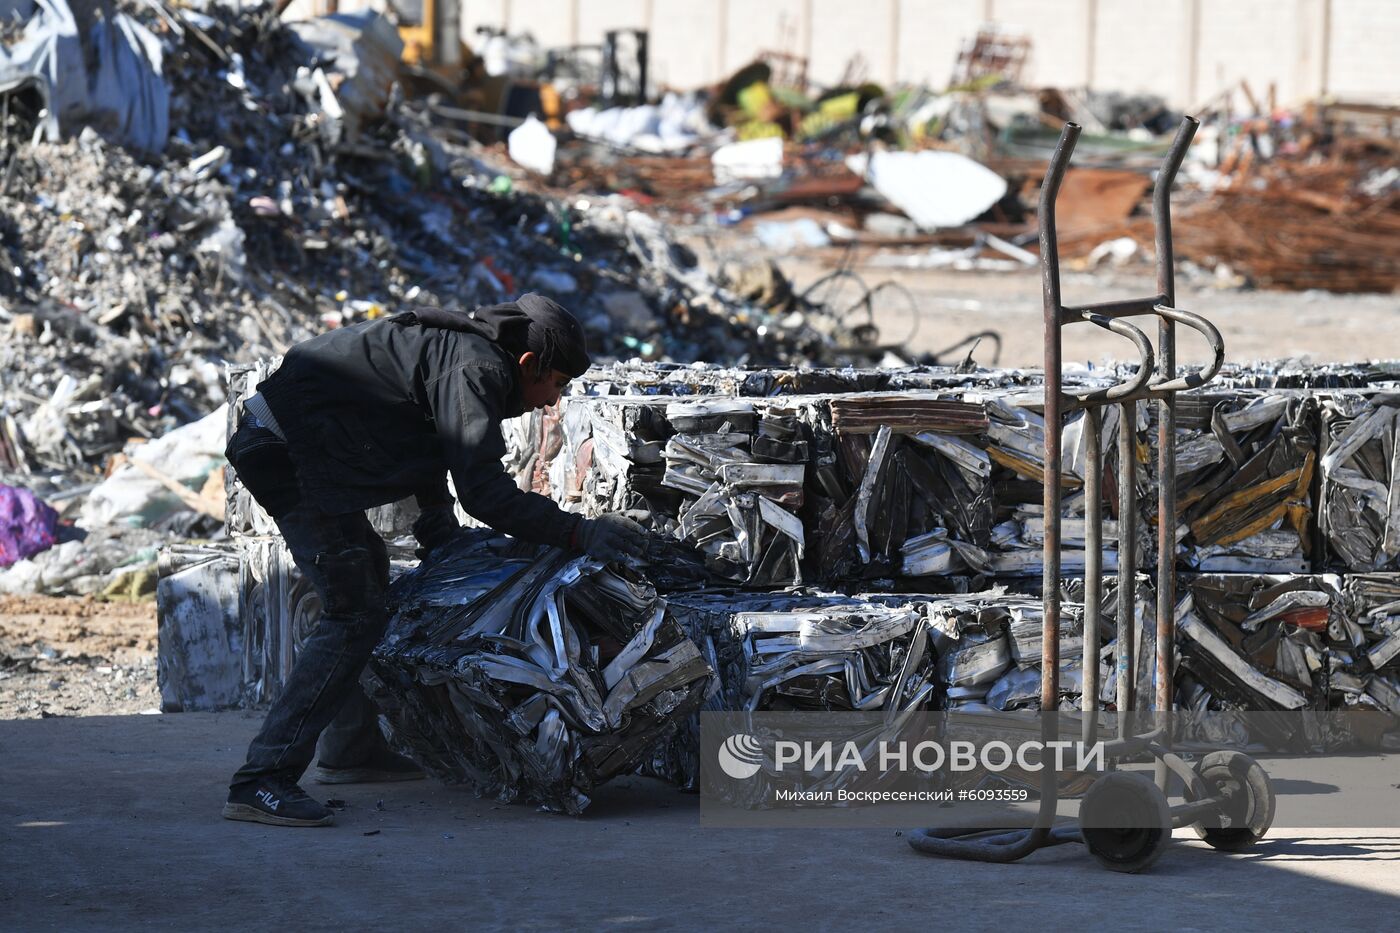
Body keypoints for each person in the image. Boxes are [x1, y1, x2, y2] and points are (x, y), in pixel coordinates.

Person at [220, 294, 649, 827]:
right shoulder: (478, 367)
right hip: (286, 451)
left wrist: (440, 531)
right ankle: (261, 780)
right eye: (555, 384)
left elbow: (421, 439)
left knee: (367, 580)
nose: (550, 403)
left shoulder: (461, 353)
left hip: (302, 446)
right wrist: (578, 532)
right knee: (353, 608)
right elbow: (484, 492)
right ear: (527, 364)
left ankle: (349, 752)